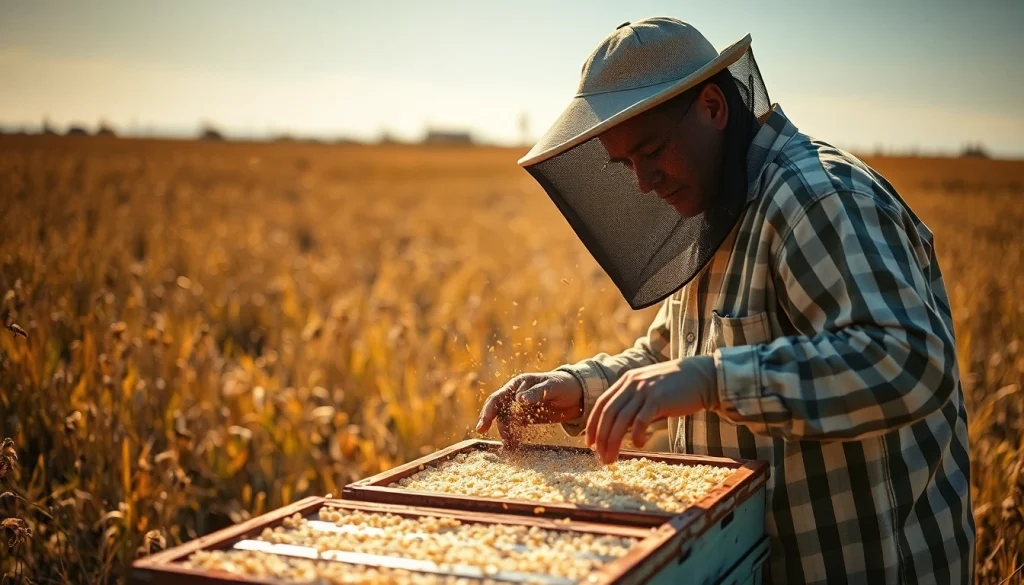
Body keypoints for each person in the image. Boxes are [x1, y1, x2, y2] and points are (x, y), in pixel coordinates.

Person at [475, 17, 974, 585]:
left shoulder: (815, 198)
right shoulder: (717, 204)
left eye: (653, 150)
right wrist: (581, 388)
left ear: (713, 107)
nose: (643, 181)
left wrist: (713, 380)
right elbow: (670, 356)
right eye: (626, 163)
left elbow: (911, 361)